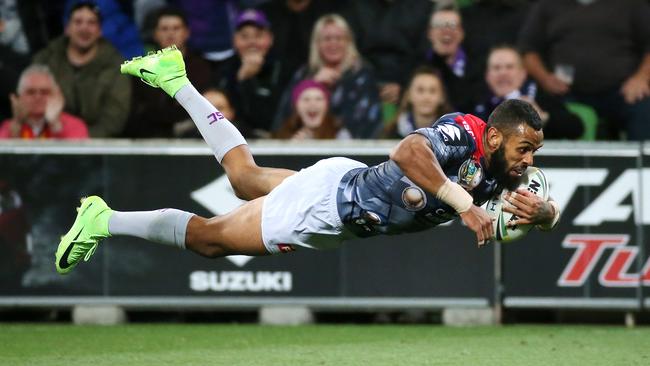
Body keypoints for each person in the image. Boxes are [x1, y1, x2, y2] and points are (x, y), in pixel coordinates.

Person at [55, 46, 561, 275]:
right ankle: (103, 219)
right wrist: (462, 204)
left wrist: (545, 215)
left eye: (534, 151)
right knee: (210, 241)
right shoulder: (467, 133)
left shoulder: (499, 174)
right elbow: (408, 151)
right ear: (493, 135)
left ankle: (174, 78)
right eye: (524, 148)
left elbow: (506, 222)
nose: (529, 160)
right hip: (328, 207)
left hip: (343, 183)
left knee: (244, 177)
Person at [518, 0, 650, 140]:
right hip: (565, 92)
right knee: (542, 113)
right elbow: (527, 50)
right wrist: (545, 79)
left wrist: (641, 77)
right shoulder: (547, 5)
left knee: (644, 110)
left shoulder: (631, 4)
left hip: (622, 91)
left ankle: (644, 161)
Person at [273, 14, 382, 139]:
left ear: (348, 42)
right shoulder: (305, 73)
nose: (333, 43)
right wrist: (313, 84)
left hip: (349, 149)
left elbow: (368, 124)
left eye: (339, 38)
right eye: (327, 39)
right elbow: (283, 118)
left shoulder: (362, 74)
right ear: (317, 44)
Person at [32, 2, 131, 138]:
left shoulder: (116, 66)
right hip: (49, 140)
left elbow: (114, 118)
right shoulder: (45, 60)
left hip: (99, 147)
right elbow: (31, 104)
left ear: (100, 31)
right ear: (67, 28)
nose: (84, 28)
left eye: (91, 23)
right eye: (78, 22)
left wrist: (80, 141)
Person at [122, 6, 212, 138]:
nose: (170, 34)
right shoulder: (141, 70)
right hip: (150, 141)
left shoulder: (202, 68)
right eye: (164, 29)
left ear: (186, 33)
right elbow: (136, 115)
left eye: (176, 28)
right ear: (155, 34)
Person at [473, 46, 583, 140]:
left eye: (509, 67)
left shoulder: (540, 98)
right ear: (487, 76)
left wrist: (544, 118)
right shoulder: (474, 101)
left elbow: (576, 128)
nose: (503, 73)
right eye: (496, 68)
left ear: (523, 73)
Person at [217, 9, 285, 138]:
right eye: (244, 36)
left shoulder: (283, 68)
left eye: (258, 35)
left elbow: (270, 120)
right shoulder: (225, 70)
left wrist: (246, 80)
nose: (252, 42)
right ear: (235, 41)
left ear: (270, 39)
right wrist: (242, 79)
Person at [424, 3, 486, 112]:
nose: (446, 30)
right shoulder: (416, 66)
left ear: (462, 33)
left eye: (452, 25)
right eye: (439, 25)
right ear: (430, 33)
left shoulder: (479, 68)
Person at [0, 64, 88, 139]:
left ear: (57, 95)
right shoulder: (9, 127)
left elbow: (77, 157)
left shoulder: (75, 125)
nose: (38, 97)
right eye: (31, 92)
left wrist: (55, 124)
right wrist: (17, 125)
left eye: (45, 92)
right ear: (19, 97)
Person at [383, 66, 453, 138]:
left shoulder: (453, 134)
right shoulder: (391, 132)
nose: (426, 97)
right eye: (420, 90)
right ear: (409, 96)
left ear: (442, 97)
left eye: (432, 91)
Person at [274, 79, 350, 140]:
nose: (312, 104)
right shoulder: (283, 136)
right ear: (296, 107)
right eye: (306, 99)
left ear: (326, 106)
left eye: (318, 99)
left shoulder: (340, 135)